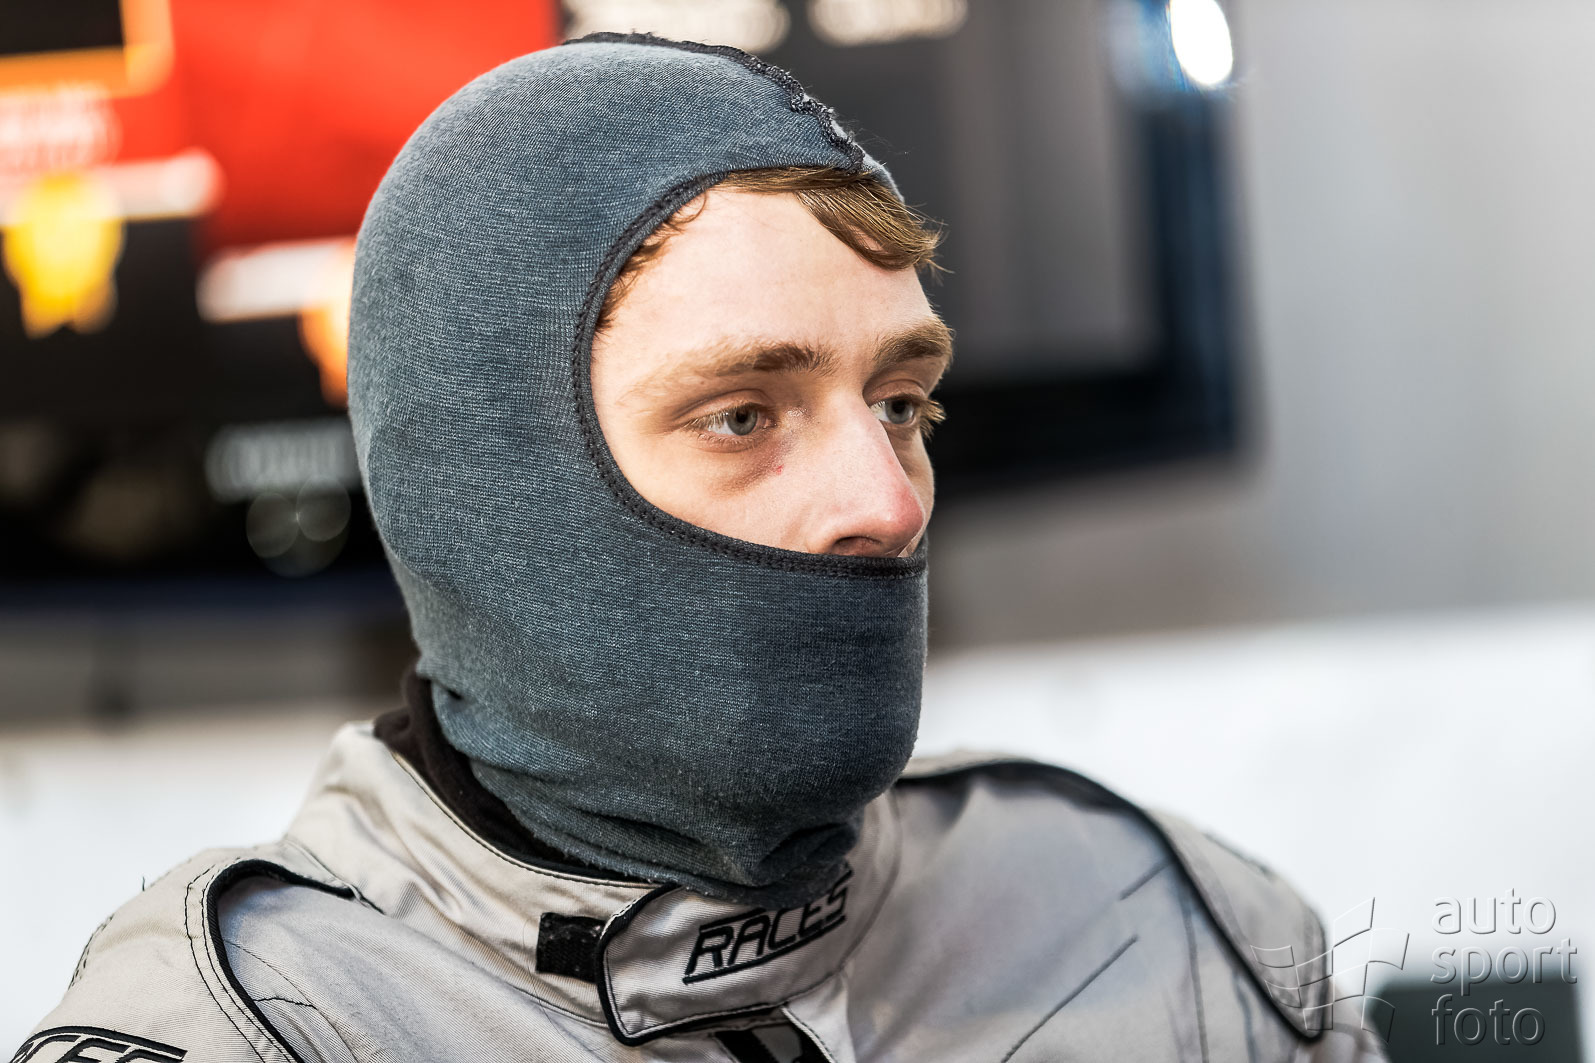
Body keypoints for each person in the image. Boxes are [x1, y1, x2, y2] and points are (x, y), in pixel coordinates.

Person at [16, 34, 1390, 1063]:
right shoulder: (255, 1034)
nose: (890, 501)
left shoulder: (1178, 928)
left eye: (902, 405)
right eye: (742, 417)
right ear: (490, 494)